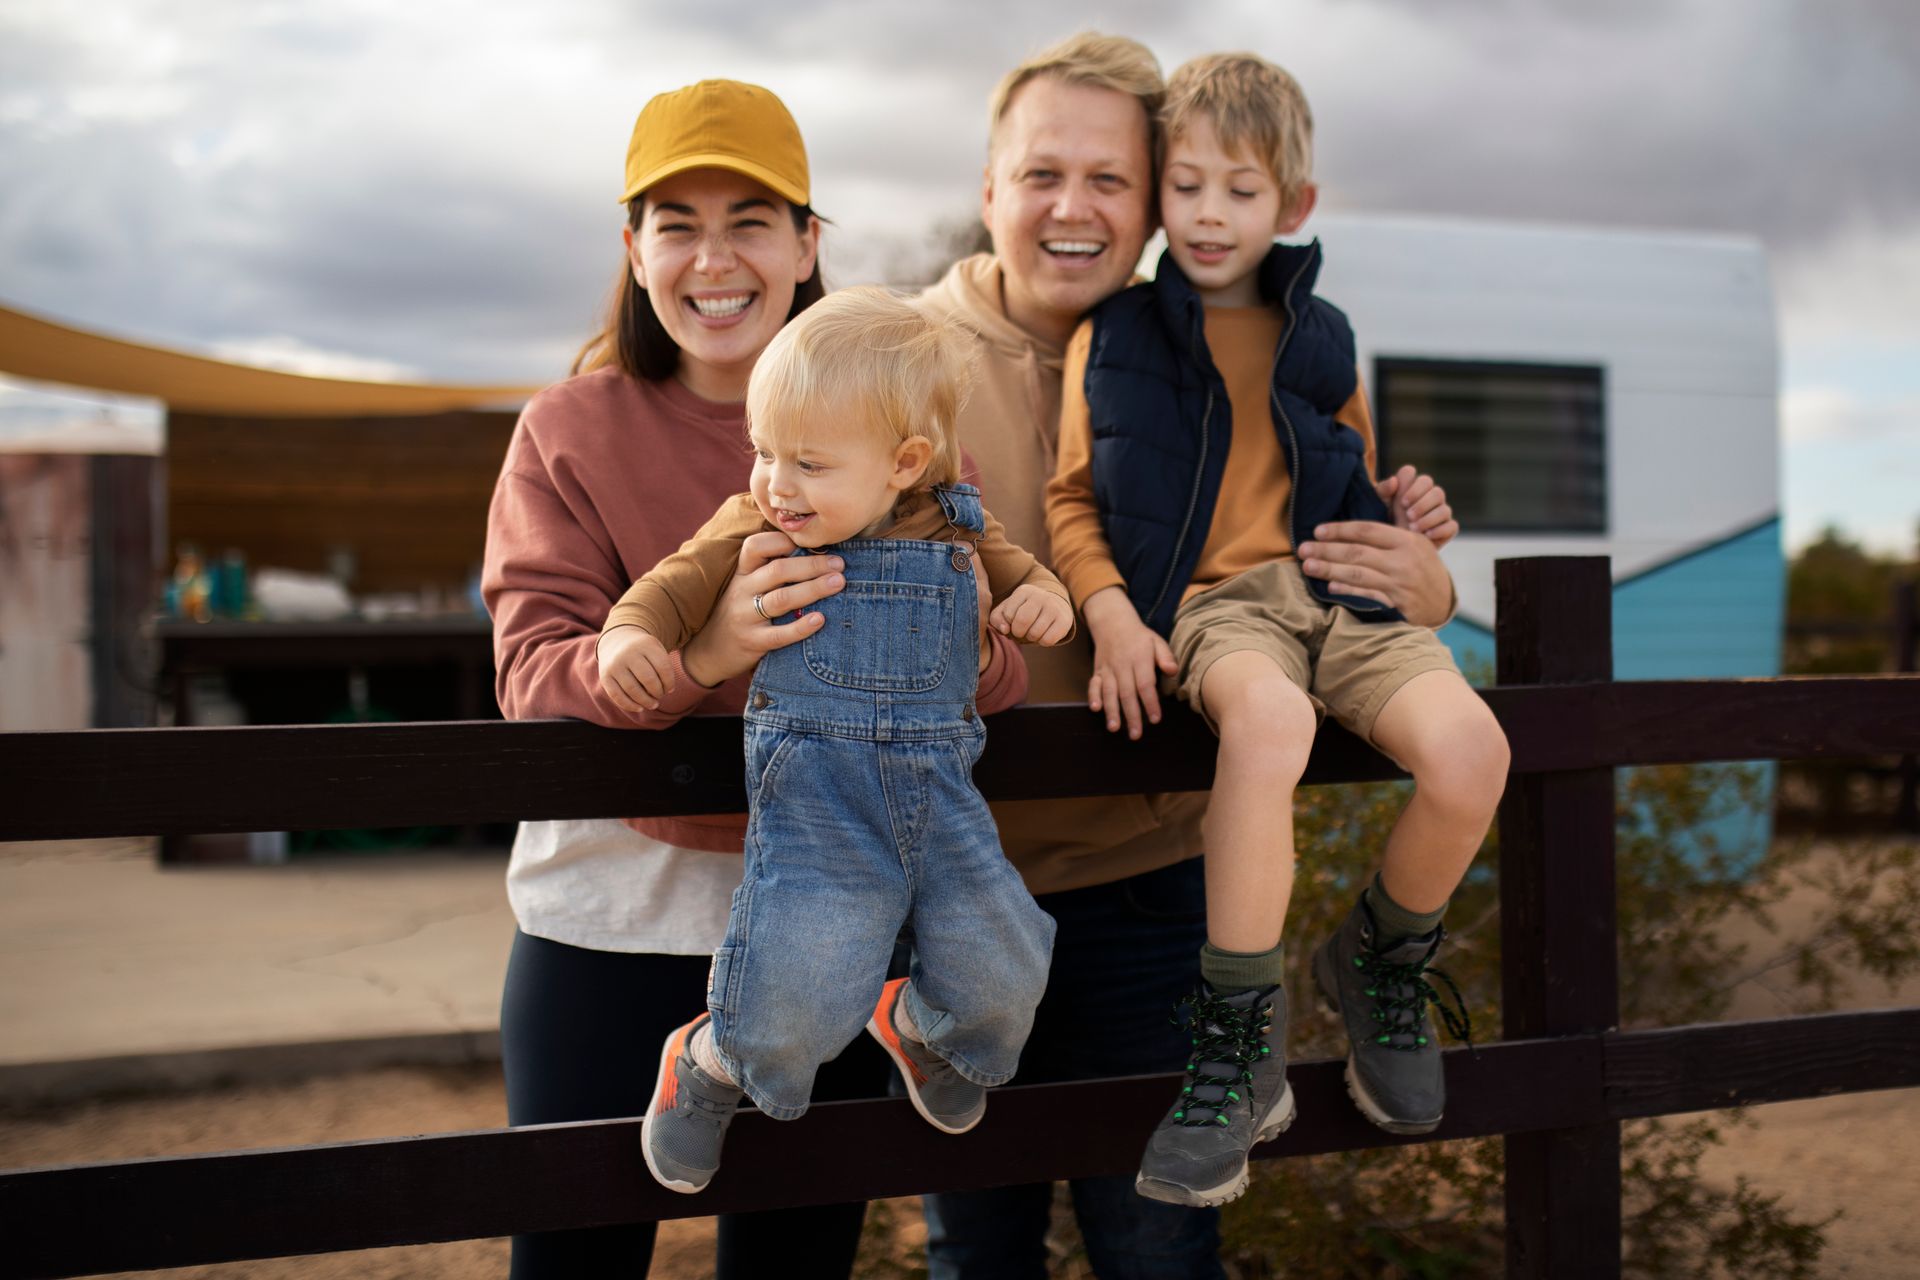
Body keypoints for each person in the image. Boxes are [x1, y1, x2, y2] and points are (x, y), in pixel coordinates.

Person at [915, 32, 1463, 1278]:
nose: (1074, 206)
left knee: (1163, 1247)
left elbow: (1329, 540)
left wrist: (1425, 580)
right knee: (974, 1245)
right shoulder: (898, 357)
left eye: (1112, 178)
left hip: (1158, 877)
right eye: (1043, 172)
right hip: (950, 885)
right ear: (991, 185)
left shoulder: (1232, 344)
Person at [483, 80, 1026, 1279]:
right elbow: (533, 670)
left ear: (806, 246)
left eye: (751, 219)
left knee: (793, 1261)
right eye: (676, 222)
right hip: (611, 913)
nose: (713, 256)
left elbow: (995, 672)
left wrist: (966, 638)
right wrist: (704, 652)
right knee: (572, 1257)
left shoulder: (905, 434)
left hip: (833, 907)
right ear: (634, 250)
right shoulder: (566, 429)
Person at [1044, 51, 1509, 1208]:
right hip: (1212, 608)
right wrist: (1108, 609)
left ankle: (1378, 956)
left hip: (1337, 594)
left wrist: (1414, 532)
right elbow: (1069, 500)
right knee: (1268, 721)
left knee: (1475, 752)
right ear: (1159, 195)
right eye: (1187, 185)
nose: (1209, 213)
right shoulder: (1114, 336)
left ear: (1291, 205)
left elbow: (1350, 479)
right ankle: (1239, 1040)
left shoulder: (1324, 335)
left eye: (1240, 191)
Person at [595, 287, 1070, 1192]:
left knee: (1005, 965)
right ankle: (713, 1061)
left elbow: (1027, 579)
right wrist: (630, 638)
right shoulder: (757, 525)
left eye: (807, 461)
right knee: (800, 992)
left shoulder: (959, 519)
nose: (776, 482)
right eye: (765, 452)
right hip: (818, 804)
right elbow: (666, 587)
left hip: (943, 801)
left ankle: (925, 1028)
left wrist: (1039, 600)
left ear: (905, 462)